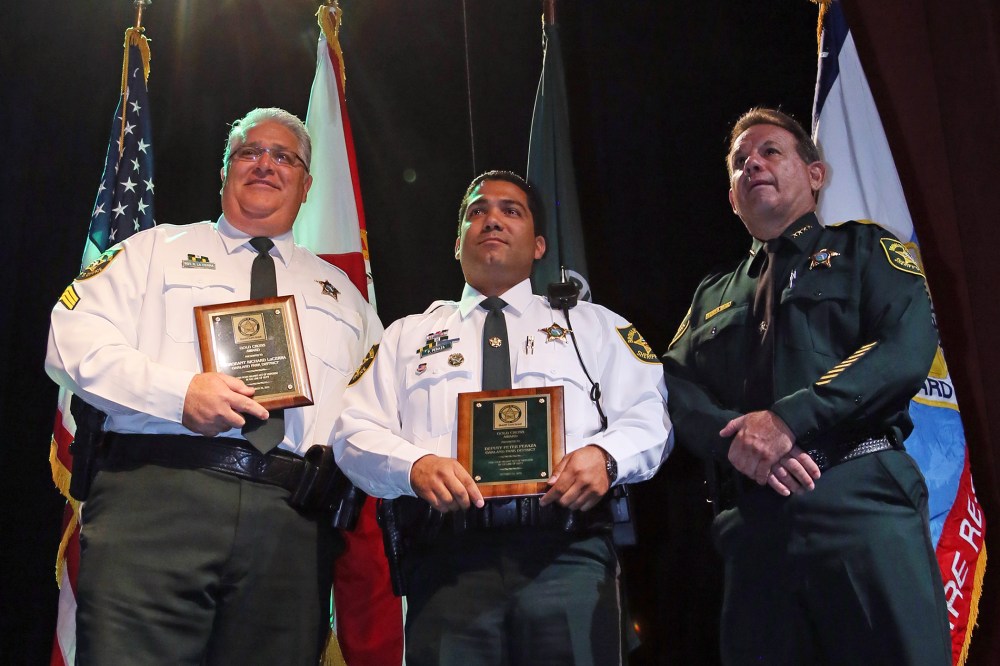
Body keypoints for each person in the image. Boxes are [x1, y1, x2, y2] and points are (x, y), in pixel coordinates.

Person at [45, 107, 382, 665]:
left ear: (306, 185)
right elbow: (71, 339)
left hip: (291, 522)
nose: (265, 164)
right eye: (249, 152)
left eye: (284, 157)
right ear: (224, 171)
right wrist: (176, 395)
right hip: (157, 497)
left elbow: (376, 404)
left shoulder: (344, 294)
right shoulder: (152, 252)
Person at [334, 170, 671, 665]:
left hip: (568, 557)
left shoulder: (592, 325)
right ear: (457, 243)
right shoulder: (406, 337)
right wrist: (414, 466)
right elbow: (351, 431)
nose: (492, 218)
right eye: (477, 211)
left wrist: (605, 455)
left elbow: (651, 419)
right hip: (447, 566)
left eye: (511, 210)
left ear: (538, 246)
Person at [661, 107, 951, 664]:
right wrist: (736, 445)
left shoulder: (864, 250)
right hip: (753, 532)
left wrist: (791, 419)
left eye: (770, 151)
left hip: (858, 503)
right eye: (740, 162)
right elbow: (669, 386)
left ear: (815, 175)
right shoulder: (711, 297)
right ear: (731, 199)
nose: (753, 164)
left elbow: (905, 346)